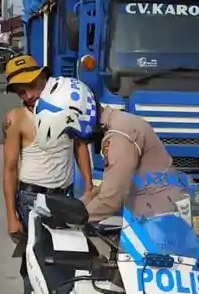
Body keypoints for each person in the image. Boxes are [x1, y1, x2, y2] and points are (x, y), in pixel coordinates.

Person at [31, 80, 174, 222]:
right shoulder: (118, 121)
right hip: (154, 210)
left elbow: (110, 200)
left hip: (162, 217)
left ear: (80, 115)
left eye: (70, 131)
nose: (72, 136)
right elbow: (111, 185)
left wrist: (69, 220)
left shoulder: (119, 137)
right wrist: (80, 205)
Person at [2, 55, 92, 238]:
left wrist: (89, 188)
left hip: (65, 195)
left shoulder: (68, 109)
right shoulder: (16, 119)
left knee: (68, 251)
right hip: (32, 200)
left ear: (44, 78)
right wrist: (11, 216)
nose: (28, 95)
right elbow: (9, 169)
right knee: (37, 257)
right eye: (20, 91)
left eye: (31, 86)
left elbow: (79, 147)